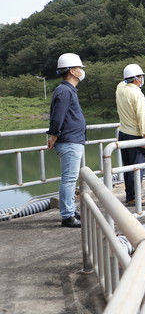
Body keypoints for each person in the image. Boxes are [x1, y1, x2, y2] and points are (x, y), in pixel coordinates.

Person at [46, 53, 87, 228]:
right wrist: (54, 136)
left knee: (71, 178)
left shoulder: (68, 90)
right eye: (80, 68)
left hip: (73, 140)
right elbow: (58, 117)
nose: (82, 71)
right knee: (69, 179)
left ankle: (70, 210)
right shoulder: (64, 90)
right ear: (72, 71)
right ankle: (67, 216)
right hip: (69, 141)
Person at [115, 64, 145, 206]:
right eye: (141, 77)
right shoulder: (137, 94)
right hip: (136, 135)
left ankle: (130, 195)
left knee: (128, 167)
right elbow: (142, 116)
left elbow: (122, 82)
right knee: (137, 168)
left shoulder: (120, 89)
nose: (142, 79)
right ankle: (135, 197)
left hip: (123, 133)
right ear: (136, 79)